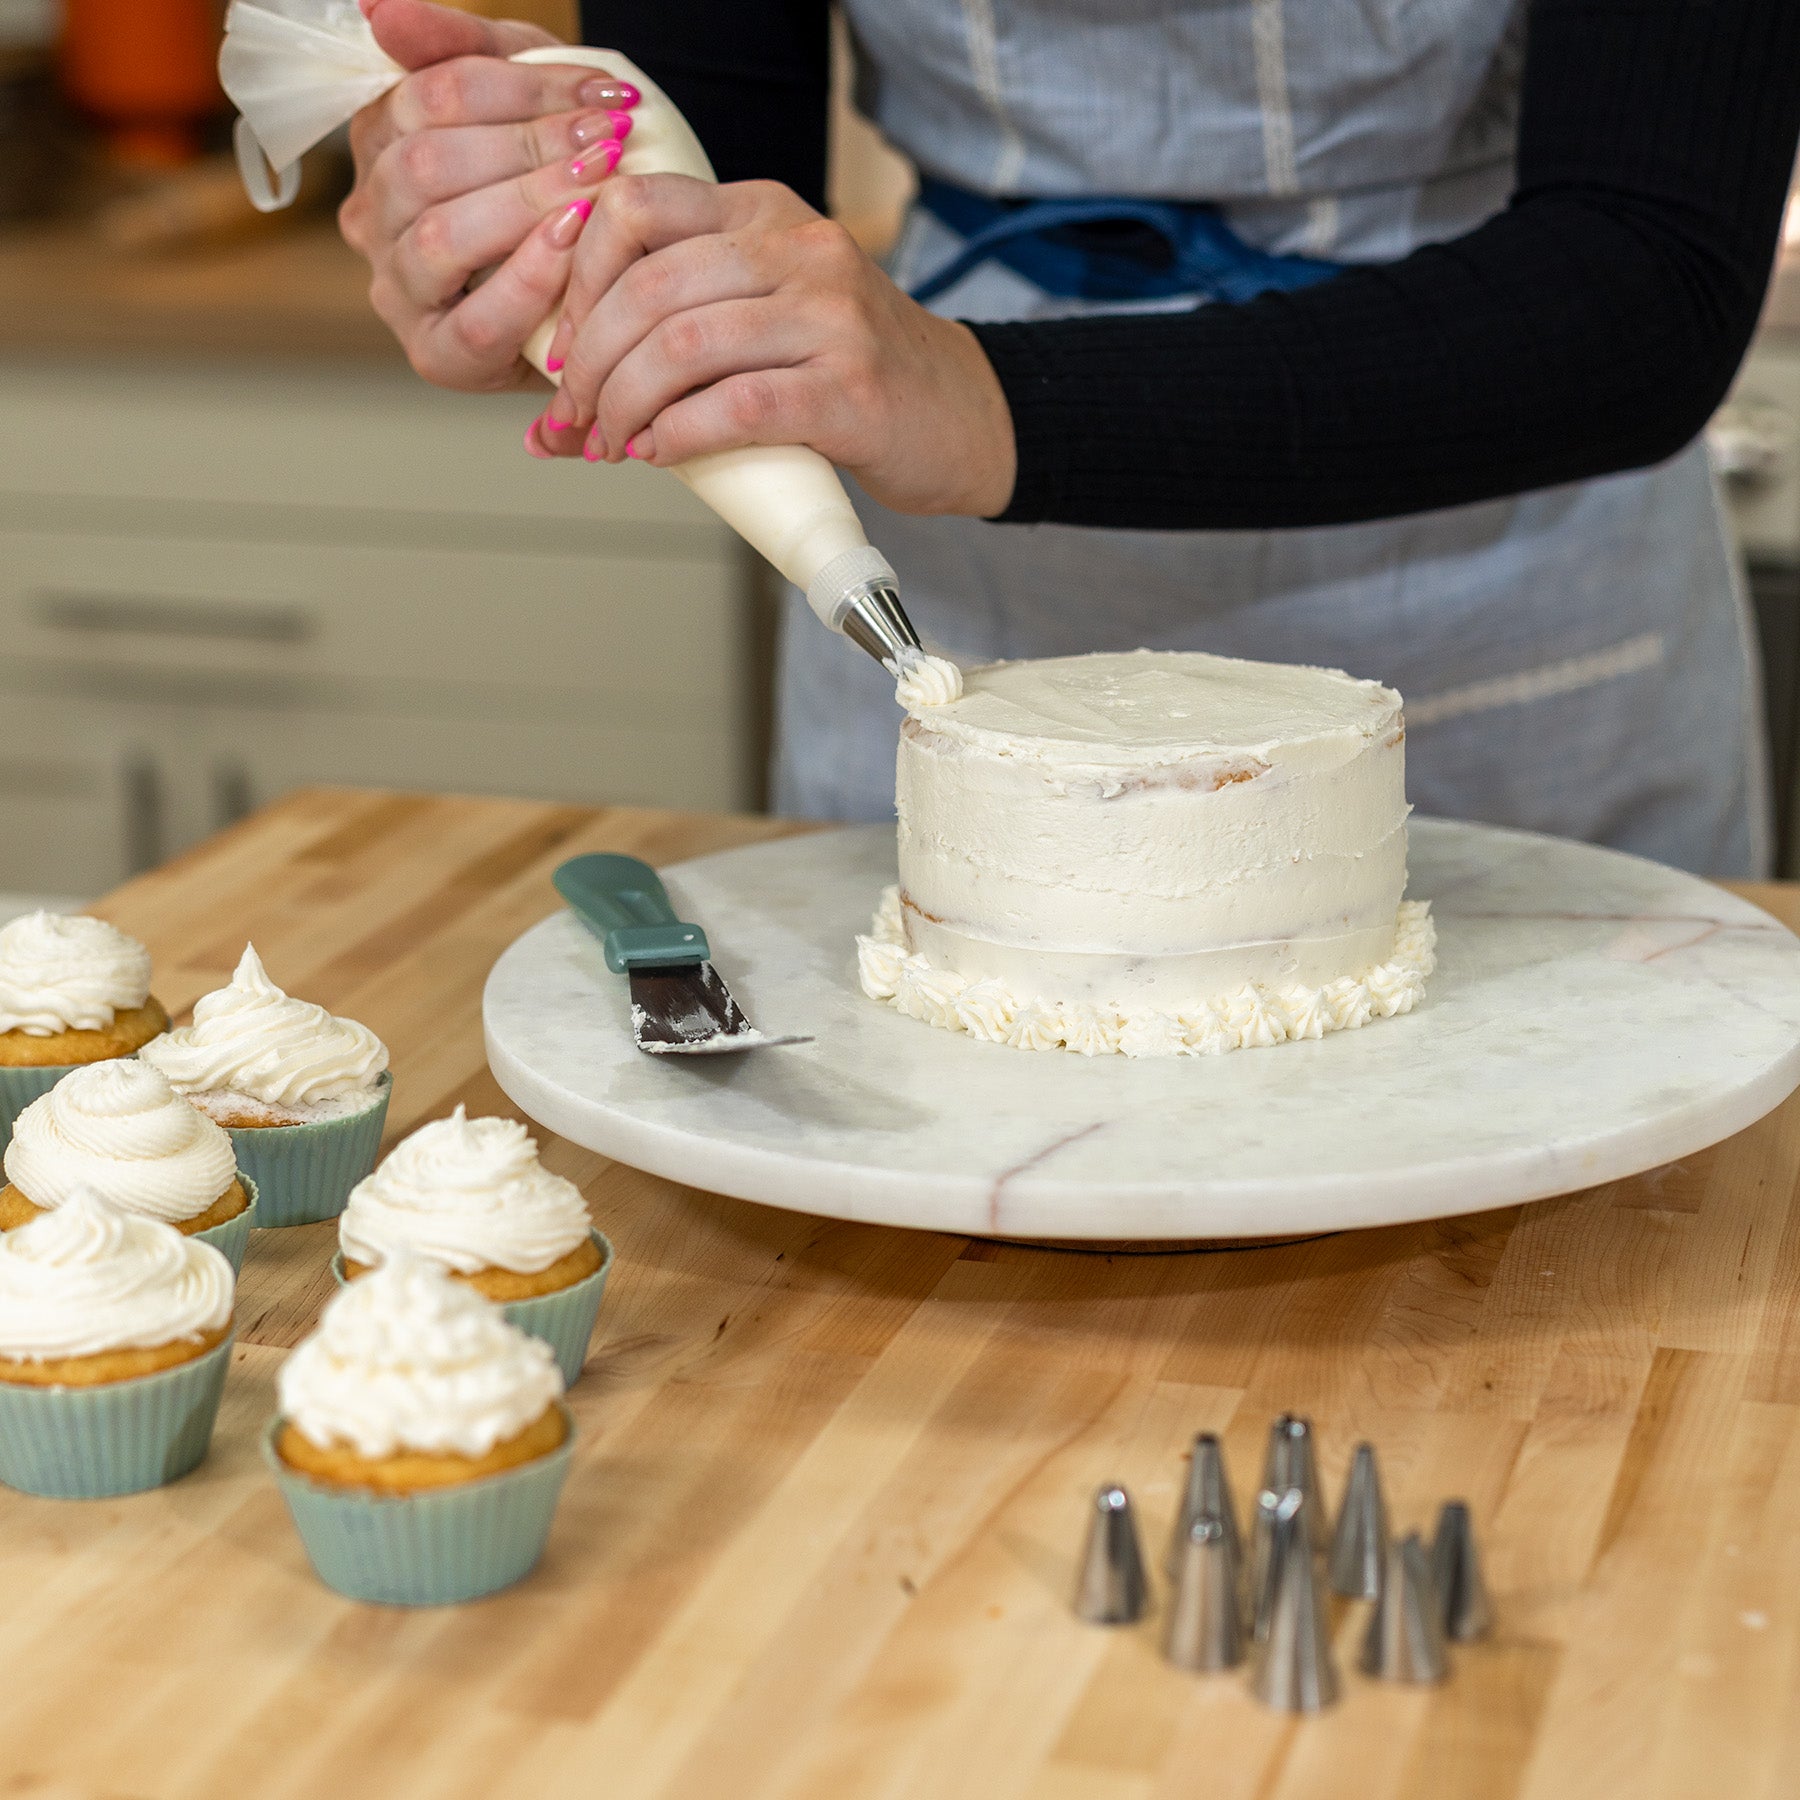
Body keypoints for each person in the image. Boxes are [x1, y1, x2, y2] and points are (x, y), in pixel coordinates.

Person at [339, 0, 1800, 873]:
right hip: (952, 606)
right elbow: (716, 145)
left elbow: (1650, 281)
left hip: (1513, 616)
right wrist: (553, 224)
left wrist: (982, 402)